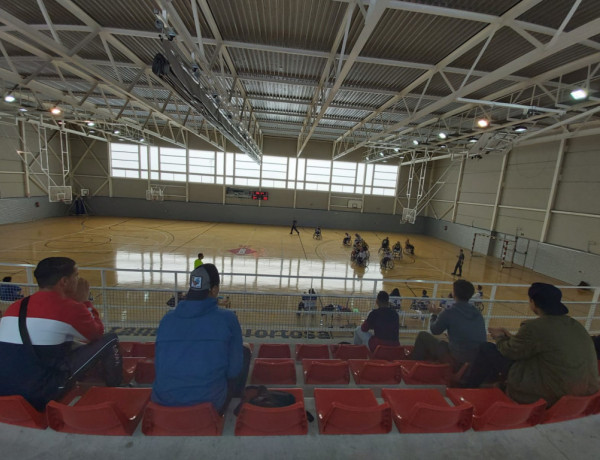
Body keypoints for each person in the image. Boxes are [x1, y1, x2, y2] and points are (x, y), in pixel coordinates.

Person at [0, 257, 122, 411]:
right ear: (64, 282)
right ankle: (116, 386)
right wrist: (84, 301)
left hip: (4, 391)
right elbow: (96, 334)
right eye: (76, 275)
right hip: (40, 393)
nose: (79, 280)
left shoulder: (16, 306)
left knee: (64, 343)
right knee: (110, 339)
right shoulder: (69, 307)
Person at [461, 283, 599, 406]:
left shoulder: (534, 327)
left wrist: (499, 338)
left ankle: (466, 389)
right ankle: (495, 385)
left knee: (487, 348)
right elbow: (545, 346)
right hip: (584, 390)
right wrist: (512, 337)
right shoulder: (574, 325)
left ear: (533, 302)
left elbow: (509, 352)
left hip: (553, 392)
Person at [152, 264, 251, 413]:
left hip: (164, 400)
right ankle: (231, 402)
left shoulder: (167, 319)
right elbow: (233, 370)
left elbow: (159, 363)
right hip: (209, 404)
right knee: (244, 351)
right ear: (215, 289)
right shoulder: (227, 318)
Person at [412, 279, 486, 369]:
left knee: (422, 336)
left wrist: (434, 314)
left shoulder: (450, 311)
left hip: (457, 358)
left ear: (454, 293)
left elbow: (434, 330)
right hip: (476, 359)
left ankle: (414, 366)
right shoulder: (477, 313)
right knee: (444, 343)